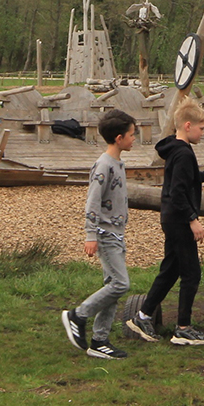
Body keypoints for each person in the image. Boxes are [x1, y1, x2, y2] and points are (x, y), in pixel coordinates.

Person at [127, 99, 204, 346]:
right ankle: (182, 328)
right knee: (191, 274)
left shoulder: (175, 148)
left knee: (171, 270)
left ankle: (142, 316)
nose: (203, 133)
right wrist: (193, 220)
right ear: (187, 125)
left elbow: (189, 177)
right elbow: (178, 192)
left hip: (171, 218)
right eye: (202, 128)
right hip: (180, 220)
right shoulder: (184, 153)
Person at [61, 109, 138, 360]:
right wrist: (90, 235)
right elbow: (92, 203)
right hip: (105, 234)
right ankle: (78, 315)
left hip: (117, 233)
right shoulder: (103, 165)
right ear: (119, 138)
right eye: (131, 135)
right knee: (120, 284)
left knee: (112, 287)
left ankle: (99, 341)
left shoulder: (118, 163)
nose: (134, 139)